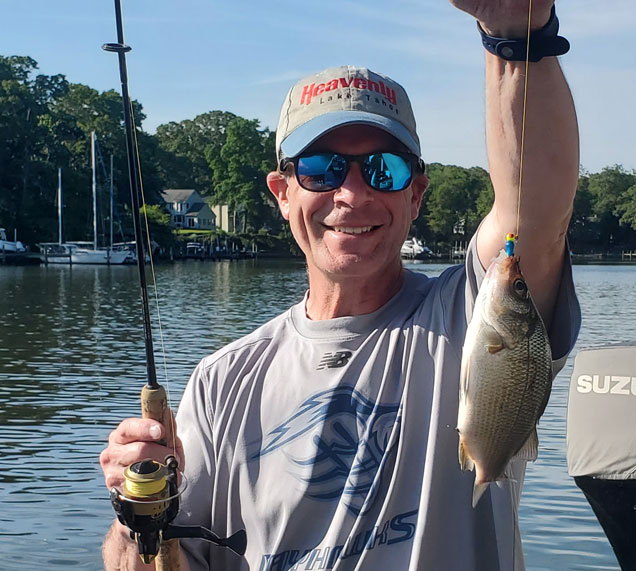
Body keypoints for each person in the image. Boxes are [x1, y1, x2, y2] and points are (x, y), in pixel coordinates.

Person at [100, 0, 580, 569]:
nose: (352, 194)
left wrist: (515, 32)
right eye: (322, 169)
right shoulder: (222, 381)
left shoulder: (470, 313)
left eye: (384, 169)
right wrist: (138, 515)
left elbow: (536, 211)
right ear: (282, 192)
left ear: (416, 195)